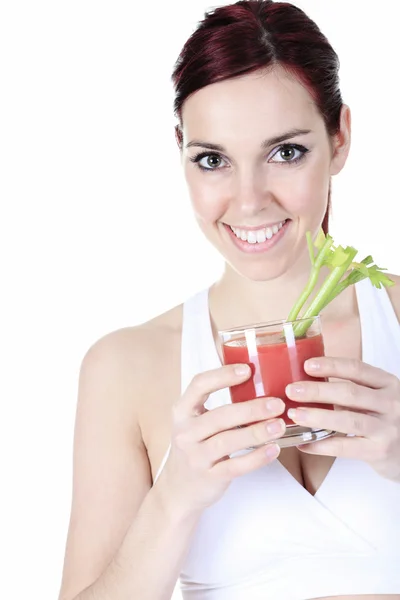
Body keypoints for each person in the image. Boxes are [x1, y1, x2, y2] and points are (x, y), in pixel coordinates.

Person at [57, 1, 400, 599]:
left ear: (339, 138)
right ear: (181, 154)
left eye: (285, 152)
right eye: (213, 160)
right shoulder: (126, 368)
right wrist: (175, 497)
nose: (248, 202)